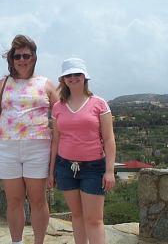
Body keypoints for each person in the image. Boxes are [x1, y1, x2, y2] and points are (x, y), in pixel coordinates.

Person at [0, 35, 58, 244]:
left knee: (38, 200)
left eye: (26, 55)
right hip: (7, 147)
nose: (22, 60)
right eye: (18, 56)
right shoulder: (3, 83)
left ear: (34, 57)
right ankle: (17, 242)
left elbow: (63, 115)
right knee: (14, 201)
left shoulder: (46, 84)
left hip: (39, 147)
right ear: (12, 59)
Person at [48, 58, 116, 244]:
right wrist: (51, 171)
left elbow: (109, 139)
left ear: (84, 77)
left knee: (94, 219)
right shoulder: (58, 107)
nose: (73, 78)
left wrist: (109, 171)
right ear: (63, 79)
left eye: (77, 74)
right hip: (65, 166)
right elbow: (56, 140)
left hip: (93, 167)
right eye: (68, 75)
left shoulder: (99, 104)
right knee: (76, 217)